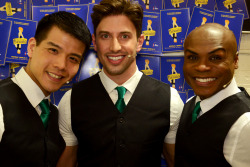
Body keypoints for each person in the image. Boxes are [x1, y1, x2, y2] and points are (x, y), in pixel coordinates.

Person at [57, 0, 183, 167]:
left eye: (124, 36)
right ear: (95, 42)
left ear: (139, 42)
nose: (115, 47)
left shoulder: (170, 101)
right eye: (105, 36)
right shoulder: (71, 100)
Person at [0, 11, 91, 166]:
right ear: (32, 47)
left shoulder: (55, 114)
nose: (61, 65)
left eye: (73, 59)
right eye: (53, 50)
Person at [175, 23, 250, 167]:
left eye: (215, 58)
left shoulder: (245, 123)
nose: (202, 67)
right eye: (192, 57)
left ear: (235, 61)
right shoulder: (192, 103)